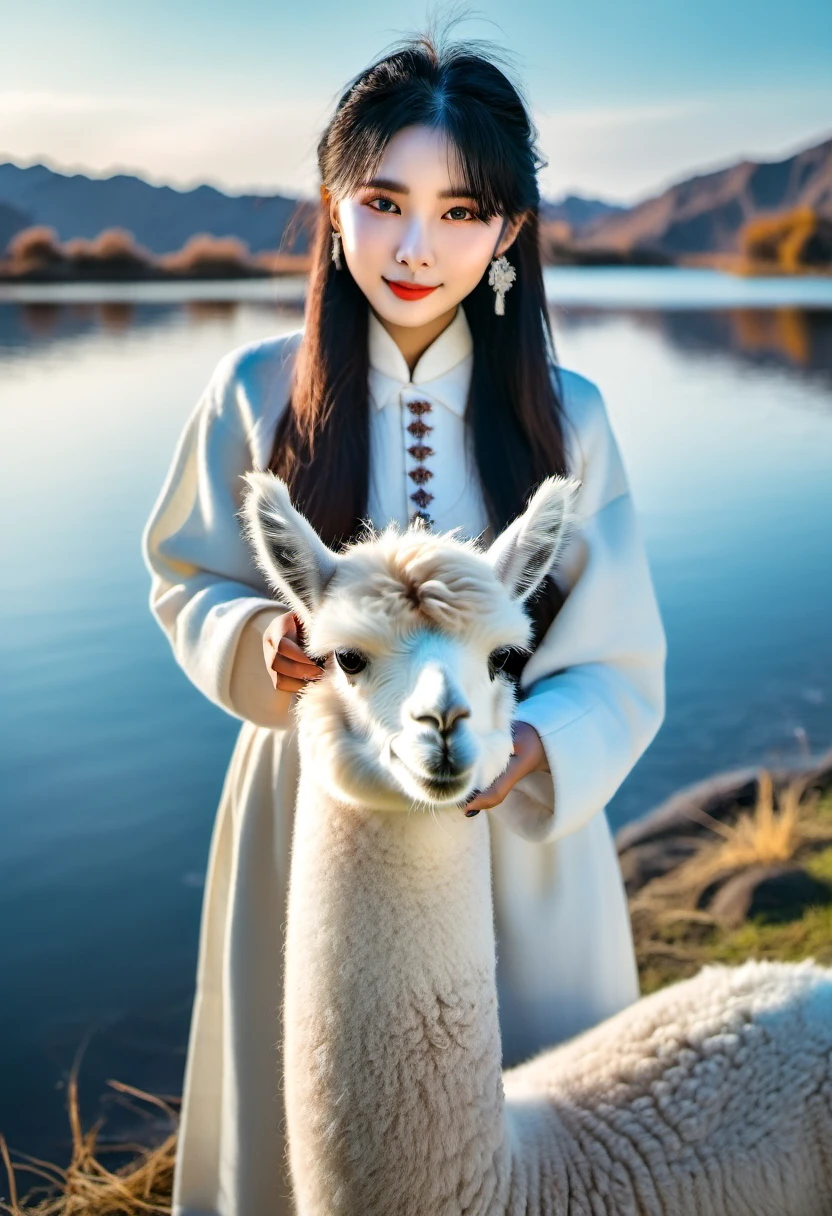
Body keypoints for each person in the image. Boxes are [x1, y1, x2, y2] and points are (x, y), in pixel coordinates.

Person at [142, 27, 666, 1216]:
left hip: (510, 818)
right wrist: (252, 646)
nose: (417, 246)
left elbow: (619, 650)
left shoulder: (565, 419)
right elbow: (185, 574)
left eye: (461, 209)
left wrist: (534, 745)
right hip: (310, 811)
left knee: (545, 1137)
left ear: (509, 234)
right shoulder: (254, 392)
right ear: (333, 205)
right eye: (383, 200)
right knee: (319, 1120)